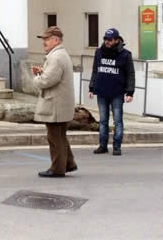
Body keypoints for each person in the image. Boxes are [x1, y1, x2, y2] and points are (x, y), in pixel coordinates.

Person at [31, 26, 78, 178]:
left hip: (56, 104)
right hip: (60, 103)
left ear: (55, 40)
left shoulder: (56, 57)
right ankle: (69, 163)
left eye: (46, 39)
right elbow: (52, 76)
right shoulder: (59, 55)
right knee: (60, 135)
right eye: (43, 39)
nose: (44, 42)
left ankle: (57, 168)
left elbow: (46, 81)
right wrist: (41, 72)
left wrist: (36, 77)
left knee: (55, 136)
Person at [88, 28, 135, 156]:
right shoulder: (99, 52)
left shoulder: (125, 55)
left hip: (117, 93)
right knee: (103, 120)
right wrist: (91, 87)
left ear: (116, 40)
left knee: (117, 121)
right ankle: (103, 146)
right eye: (105, 39)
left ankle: (116, 146)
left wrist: (130, 92)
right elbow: (95, 71)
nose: (107, 42)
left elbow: (130, 74)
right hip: (102, 91)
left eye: (110, 40)